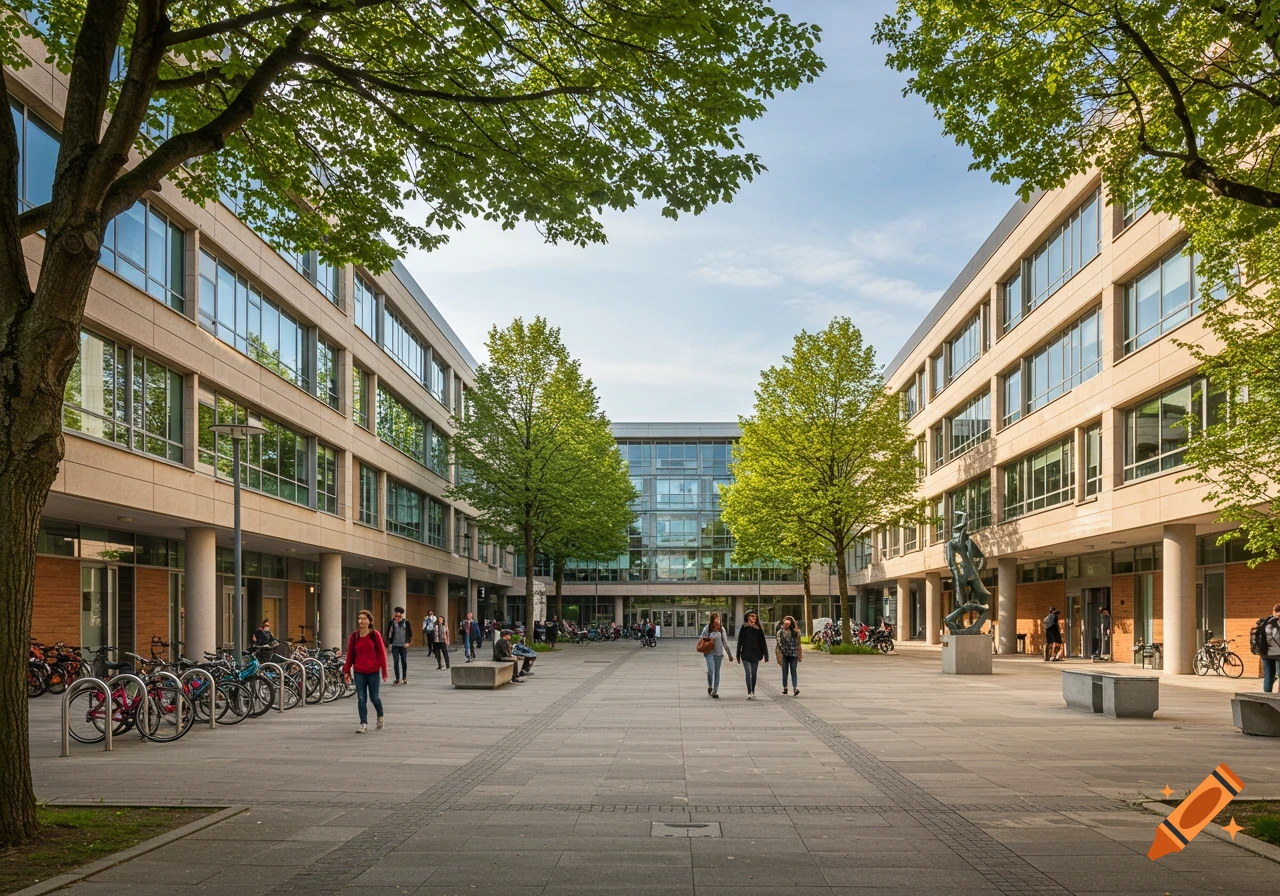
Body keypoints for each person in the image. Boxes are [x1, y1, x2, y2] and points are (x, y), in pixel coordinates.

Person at [343, 609, 387, 733]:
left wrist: (384, 671)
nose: (361, 620)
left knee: (374, 697)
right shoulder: (354, 636)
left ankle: (380, 714)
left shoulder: (375, 635)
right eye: (360, 618)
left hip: (373, 671)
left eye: (364, 618)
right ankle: (363, 723)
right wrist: (346, 671)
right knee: (361, 697)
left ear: (369, 621)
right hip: (359, 671)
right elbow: (350, 654)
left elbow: (382, 654)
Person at [699, 612, 734, 698]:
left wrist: (729, 655)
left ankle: (715, 691)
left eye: (718, 619)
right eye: (715, 619)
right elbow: (701, 638)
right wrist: (708, 638)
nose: (717, 620)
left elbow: (725, 643)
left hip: (718, 653)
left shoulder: (722, 630)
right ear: (712, 620)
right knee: (711, 670)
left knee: (717, 672)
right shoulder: (707, 628)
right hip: (709, 652)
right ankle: (710, 685)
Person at [735, 611, 769, 699]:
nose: (752, 620)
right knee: (748, 673)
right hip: (745, 654)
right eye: (750, 618)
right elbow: (740, 642)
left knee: (754, 674)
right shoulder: (744, 628)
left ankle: (753, 691)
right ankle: (749, 691)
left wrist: (766, 655)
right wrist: (738, 655)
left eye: (754, 618)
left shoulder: (758, 629)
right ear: (747, 618)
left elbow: (763, 643)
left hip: (756, 655)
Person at [386, 607, 412, 685]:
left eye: (398, 613)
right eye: (396, 613)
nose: (397, 614)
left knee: (403, 661)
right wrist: (388, 644)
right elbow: (388, 633)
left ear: (401, 614)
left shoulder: (406, 622)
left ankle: (404, 677)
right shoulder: (391, 622)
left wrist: (408, 642)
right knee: (396, 662)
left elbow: (409, 633)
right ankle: (397, 678)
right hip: (395, 645)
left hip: (403, 645)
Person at [778, 615, 802, 696]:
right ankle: (785, 687)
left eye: (789, 621)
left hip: (793, 654)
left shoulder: (795, 631)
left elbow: (798, 642)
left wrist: (799, 653)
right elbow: (779, 642)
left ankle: (795, 688)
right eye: (786, 621)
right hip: (784, 654)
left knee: (793, 671)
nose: (787, 623)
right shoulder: (780, 632)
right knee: (784, 671)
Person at [1262, 604, 1280, 693]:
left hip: (1265, 652)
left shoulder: (1265, 621)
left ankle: (1267, 696)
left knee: (1268, 675)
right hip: (1278, 653)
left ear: (1274, 611)